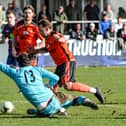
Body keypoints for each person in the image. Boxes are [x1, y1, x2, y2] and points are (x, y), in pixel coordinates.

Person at [0, 52, 98, 117]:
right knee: (72, 99)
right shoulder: (37, 69)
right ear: (30, 61)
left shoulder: (15, 73)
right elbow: (56, 78)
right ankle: (83, 100)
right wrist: (49, 85)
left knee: (41, 109)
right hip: (52, 98)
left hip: (43, 108)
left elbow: (1, 66)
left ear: (19, 63)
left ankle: (56, 110)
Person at [36, 19, 104, 104]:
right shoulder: (47, 39)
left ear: (48, 29)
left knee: (68, 85)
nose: (40, 33)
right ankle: (52, 107)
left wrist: (60, 40)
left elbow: (62, 38)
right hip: (60, 65)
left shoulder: (54, 35)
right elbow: (47, 49)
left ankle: (95, 91)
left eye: (41, 30)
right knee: (53, 86)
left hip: (67, 61)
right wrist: (35, 51)